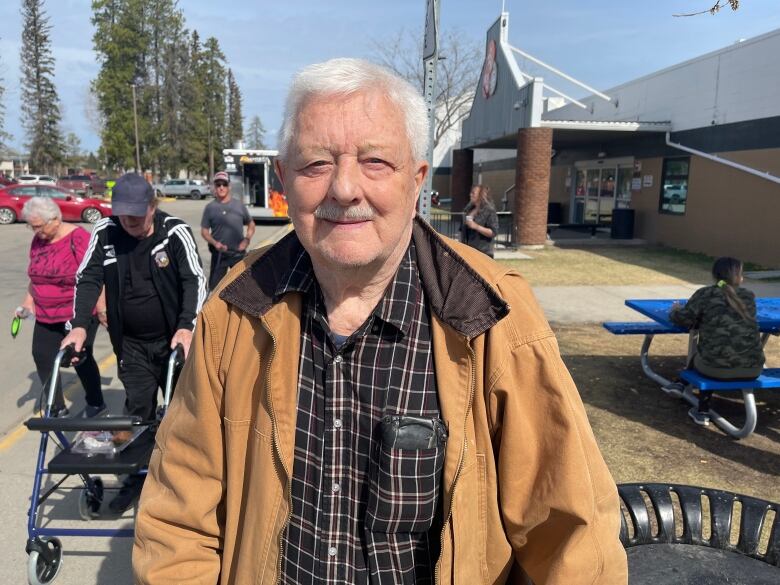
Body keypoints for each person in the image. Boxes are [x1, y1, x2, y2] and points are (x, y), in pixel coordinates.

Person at [134, 59, 626, 584]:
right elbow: (177, 519)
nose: (344, 189)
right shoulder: (234, 312)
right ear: (284, 178)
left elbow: (573, 536)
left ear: (416, 180)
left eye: (375, 162)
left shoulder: (492, 315)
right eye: (315, 164)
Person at [61, 172, 206, 513]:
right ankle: (137, 479)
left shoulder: (175, 233)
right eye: (124, 215)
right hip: (131, 344)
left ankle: (184, 481)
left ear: (153, 207)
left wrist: (187, 326)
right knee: (137, 411)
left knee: (182, 411)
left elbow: (195, 280)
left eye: (137, 216)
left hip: (174, 343)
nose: (130, 223)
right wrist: (79, 326)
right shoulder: (107, 232)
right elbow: (88, 277)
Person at [16, 197, 106, 418]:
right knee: (42, 355)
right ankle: (56, 406)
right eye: (31, 226)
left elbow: (96, 277)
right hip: (46, 314)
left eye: (38, 226)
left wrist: (102, 308)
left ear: (55, 219)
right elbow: (36, 275)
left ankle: (96, 402)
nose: (35, 231)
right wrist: (27, 302)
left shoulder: (79, 238)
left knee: (78, 357)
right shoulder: (39, 241)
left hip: (76, 313)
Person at [669, 256, 764, 426]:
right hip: (754, 369)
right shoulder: (749, 296)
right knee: (717, 351)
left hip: (715, 369)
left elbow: (683, 319)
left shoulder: (705, 294)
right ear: (739, 277)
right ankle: (681, 385)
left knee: (709, 354)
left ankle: (697, 404)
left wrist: (675, 310)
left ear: (714, 275)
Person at [200, 171, 255, 290]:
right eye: (218, 184)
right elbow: (204, 231)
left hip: (238, 254)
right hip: (219, 254)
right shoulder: (210, 208)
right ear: (214, 187)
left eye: (224, 184)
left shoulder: (239, 205)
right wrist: (215, 243)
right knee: (215, 289)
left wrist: (247, 239)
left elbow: (251, 224)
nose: (221, 187)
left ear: (229, 186)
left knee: (243, 287)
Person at [462, 184, 499, 258]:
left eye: (473, 193)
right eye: (470, 192)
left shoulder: (489, 210)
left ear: (480, 195)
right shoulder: (469, 210)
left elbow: (493, 232)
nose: (470, 195)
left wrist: (476, 226)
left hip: (483, 253)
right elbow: (463, 230)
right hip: (468, 252)